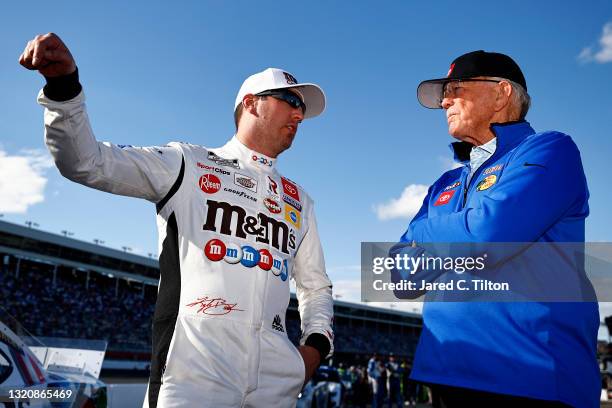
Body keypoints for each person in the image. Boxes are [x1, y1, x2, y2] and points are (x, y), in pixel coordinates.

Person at [19, 33, 334, 408]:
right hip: (193, 376)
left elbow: (316, 287)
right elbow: (85, 161)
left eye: (302, 107)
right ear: (251, 104)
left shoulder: (300, 200)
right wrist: (64, 89)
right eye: (289, 101)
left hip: (277, 384)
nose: (299, 114)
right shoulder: (188, 163)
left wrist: (313, 349)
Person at [394, 50, 599, 406]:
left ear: (502, 92)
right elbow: (400, 276)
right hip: (445, 374)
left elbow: (488, 236)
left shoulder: (551, 149)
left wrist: (426, 232)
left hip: (530, 378)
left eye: (456, 88)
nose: (445, 101)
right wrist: (461, 235)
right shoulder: (445, 182)